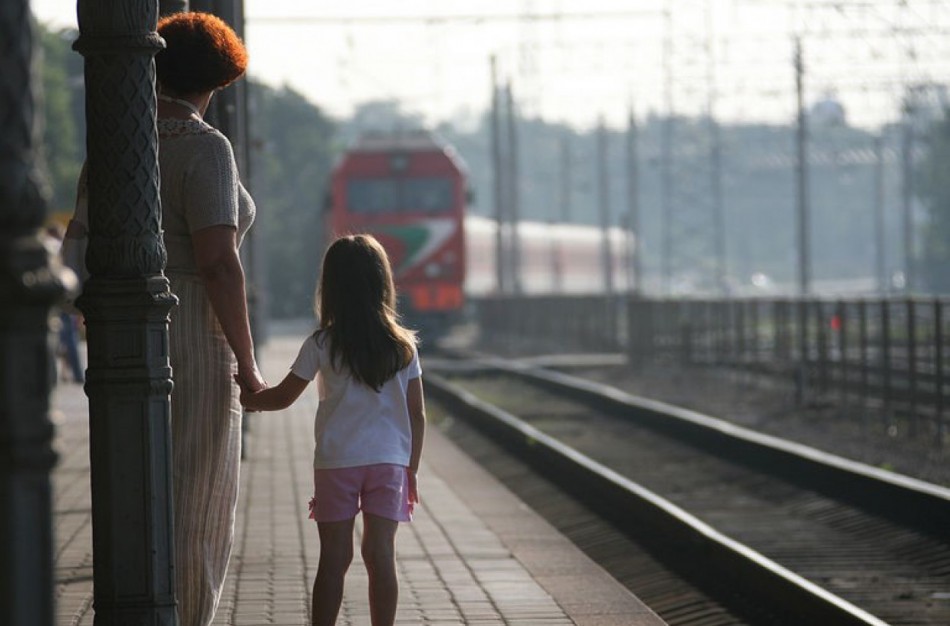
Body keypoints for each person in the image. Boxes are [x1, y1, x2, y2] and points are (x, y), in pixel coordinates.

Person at [236, 234, 426, 626]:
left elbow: (284, 397)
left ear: (332, 287)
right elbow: (417, 414)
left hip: (338, 462)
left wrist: (248, 398)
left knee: (334, 560)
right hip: (389, 463)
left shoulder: (322, 343)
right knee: (381, 556)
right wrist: (412, 469)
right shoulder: (404, 346)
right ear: (382, 283)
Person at [153, 12, 265, 625]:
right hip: (197, 333)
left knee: (139, 491)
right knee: (199, 502)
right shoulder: (207, 147)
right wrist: (247, 365)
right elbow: (220, 264)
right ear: (218, 80)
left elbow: (78, 246)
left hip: (130, 340)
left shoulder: (119, 144)